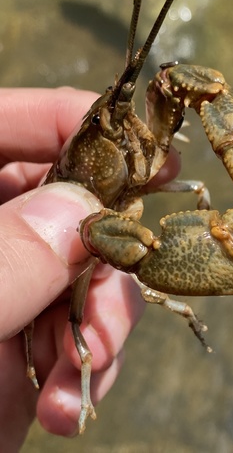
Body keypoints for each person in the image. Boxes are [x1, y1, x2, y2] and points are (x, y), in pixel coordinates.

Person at [0, 87, 180, 449]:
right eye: (104, 123)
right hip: (74, 265)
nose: (126, 128)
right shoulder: (61, 213)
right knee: (82, 336)